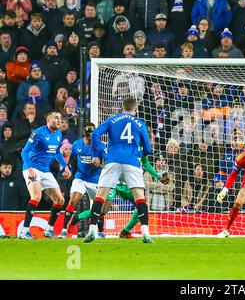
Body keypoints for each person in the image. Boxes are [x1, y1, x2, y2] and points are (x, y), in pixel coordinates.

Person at [84, 98, 153, 243]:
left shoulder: (113, 119)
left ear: (122, 108)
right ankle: (146, 233)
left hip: (112, 160)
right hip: (131, 162)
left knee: (100, 195)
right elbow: (148, 149)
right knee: (140, 197)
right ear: (136, 109)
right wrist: (138, 155)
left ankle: (92, 230)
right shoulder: (140, 123)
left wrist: (96, 154)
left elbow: (95, 134)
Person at [19, 111, 72, 239]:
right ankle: (24, 231)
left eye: (60, 118)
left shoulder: (59, 133)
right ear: (48, 121)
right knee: (36, 196)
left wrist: (65, 166)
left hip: (45, 170)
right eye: (56, 118)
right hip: (32, 168)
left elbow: (57, 153)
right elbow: (25, 152)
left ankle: (49, 229)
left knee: (60, 200)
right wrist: (30, 168)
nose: (59, 120)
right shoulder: (39, 133)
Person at [58, 123, 106, 238]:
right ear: (84, 135)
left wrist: (100, 163)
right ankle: (64, 230)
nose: (90, 138)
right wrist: (68, 168)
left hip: (95, 179)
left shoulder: (100, 145)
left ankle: (99, 232)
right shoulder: (77, 144)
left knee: (100, 206)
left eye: (92, 136)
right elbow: (72, 159)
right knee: (73, 200)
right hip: (80, 177)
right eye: (88, 136)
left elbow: (107, 161)